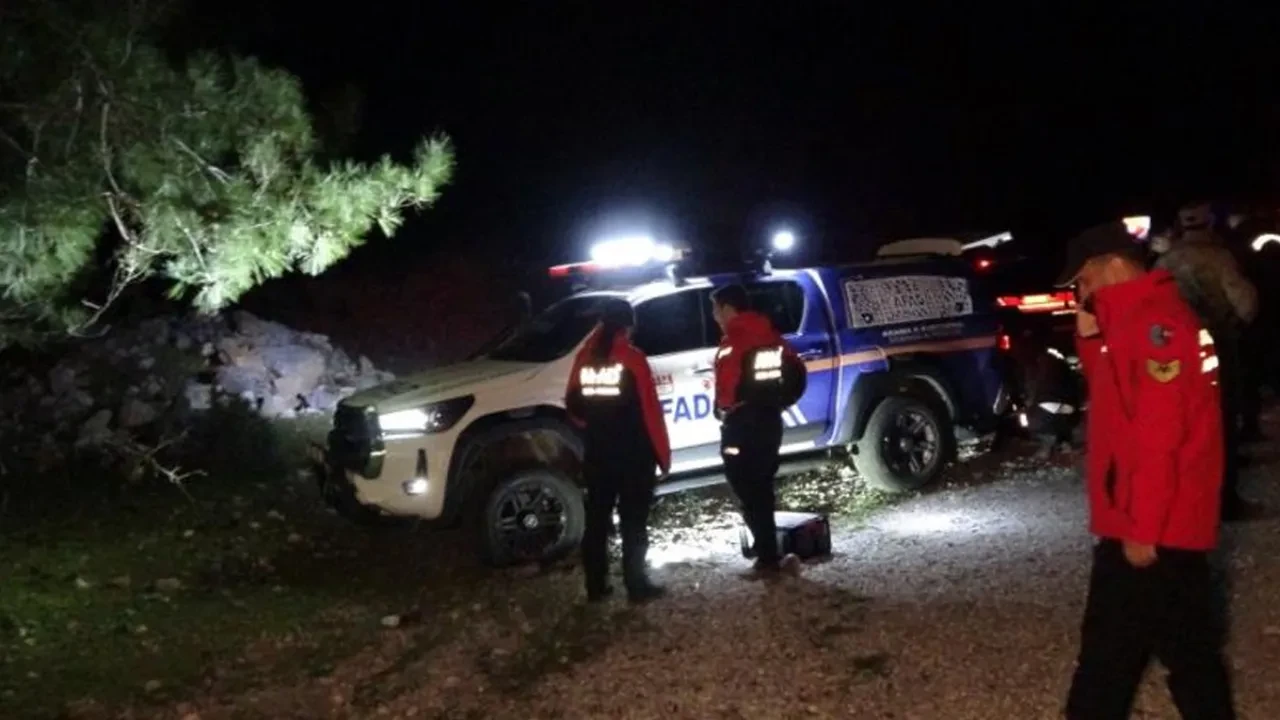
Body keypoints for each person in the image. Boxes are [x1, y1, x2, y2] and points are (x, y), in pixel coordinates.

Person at [1058, 221, 1236, 719]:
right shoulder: (1135, 320)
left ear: (1114, 266)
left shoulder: (1157, 325)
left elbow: (1160, 435)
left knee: (1106, 664)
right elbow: (1117, 405)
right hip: (1153, 519)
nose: (1081, 291)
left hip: (1152, 523)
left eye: (1084, 280)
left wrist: (1142, 527)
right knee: (1187, 653)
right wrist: (1091, 341)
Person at [1156, 201, 1261, 521]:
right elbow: (1245, 301)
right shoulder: (1220, 257)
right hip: (1217, 347)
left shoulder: (1164, 262)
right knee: (1222, 420)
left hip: (1178, 354)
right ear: (1211, 224)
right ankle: (1225, 500)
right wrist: (1236, 327)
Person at [564, 300, 670, 603]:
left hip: (597, 453)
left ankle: (596, 586)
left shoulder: (584, 358)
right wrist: (663, 455)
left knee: (597, 520)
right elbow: (651, 413)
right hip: (634, 456)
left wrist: (596, 425)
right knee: (633, 521)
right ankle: (636, 586)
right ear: (628, 326)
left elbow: (573, 407)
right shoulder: (633, 359)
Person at [710, 284, 805, 578]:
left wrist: (723, 408)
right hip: (769, 422)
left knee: (745, 486)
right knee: (762, 487)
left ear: (727, 308)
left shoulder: (734, 341)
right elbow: (797, 373)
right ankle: (769, 554)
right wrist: (778, 402)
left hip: (741, 425)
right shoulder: (772, 336)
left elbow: (727, 390)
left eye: (715, 309)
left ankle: (767, 558)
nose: (714, 317)